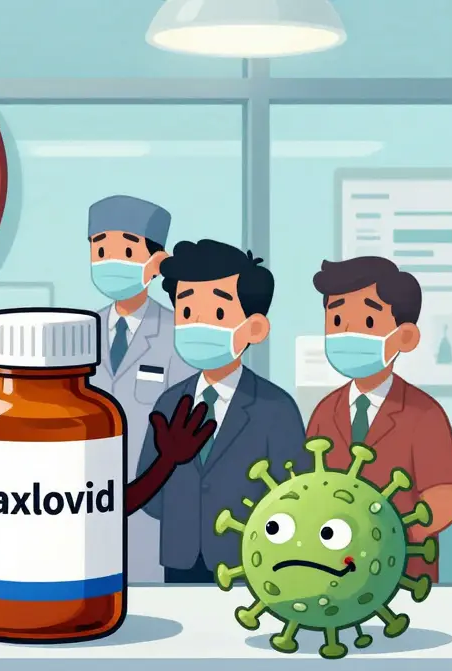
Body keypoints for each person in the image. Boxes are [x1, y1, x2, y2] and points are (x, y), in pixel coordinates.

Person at [139, 239, 307, 583]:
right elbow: (150, 493)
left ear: (254, 328)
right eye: (187, 313)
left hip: (252, 561)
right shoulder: (169, 403)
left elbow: (297, 496)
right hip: (180, 557)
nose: (199, 324)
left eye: (217, 313)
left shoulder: (275, 408)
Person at [306, 256, 452, 582]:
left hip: (403, 571)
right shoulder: (324, 411)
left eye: (366, 320)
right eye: (336, 321)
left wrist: (390, 536)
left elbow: (445, 496)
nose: (346, 331)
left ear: (404, 337)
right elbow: (310, 490)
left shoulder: (425, 414)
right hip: (333, 573)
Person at [85, 195, 193, 583]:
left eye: (127, 250)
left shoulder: (181, 334)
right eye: (101, 250)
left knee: (147, 589)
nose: (111, 261)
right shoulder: (78, 334)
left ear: (156, 263)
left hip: (151, 498)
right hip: (82, 495)